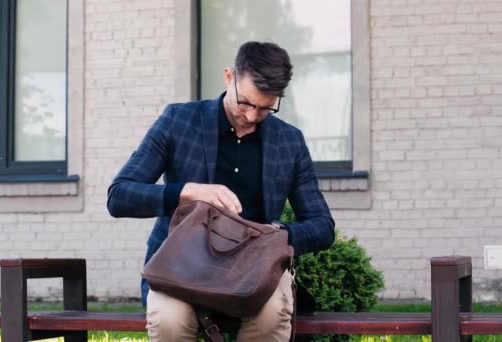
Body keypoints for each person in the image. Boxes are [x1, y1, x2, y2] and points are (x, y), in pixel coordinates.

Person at [107, 41, 335, 342]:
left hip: (256, 268)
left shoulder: (289, 142)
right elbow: (119, 196)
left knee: (271, 319)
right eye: (246, 103)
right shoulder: (178, 121)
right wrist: (185, 193)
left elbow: (322, 226)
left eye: (266, 108)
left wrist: (275, 233)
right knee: (169, 323)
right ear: (229, 77)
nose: (252, 116)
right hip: (181, 264)